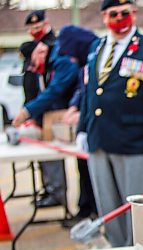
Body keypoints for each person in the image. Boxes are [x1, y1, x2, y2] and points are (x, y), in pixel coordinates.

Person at [78, 0, 143, 247]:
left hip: (133, 141)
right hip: (98, 140)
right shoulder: (97, 47)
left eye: (124, 13)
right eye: (113, 14)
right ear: (104, 16)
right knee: (108, 207)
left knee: (136, 208)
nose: (119, 18)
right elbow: (88, 91)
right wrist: (81, 129)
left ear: (134, 13)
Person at [13, 13, 80, 210]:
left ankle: (61, 195)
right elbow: (33, 84)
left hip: (63, 112)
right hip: (45, 112)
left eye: (38, 27)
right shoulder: (38, 51)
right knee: (46, 154)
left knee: (69, 161)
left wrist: (28, 111)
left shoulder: (56, 50)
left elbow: (55, 89)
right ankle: (52, 190)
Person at [56, 25, 99, 226]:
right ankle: (86, 208)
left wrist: (82, 112)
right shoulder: (85, 61)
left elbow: (96, 92)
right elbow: (82, 90)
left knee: (94, 175)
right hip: (86, 129)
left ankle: (94, 211)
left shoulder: (96, 55)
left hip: (99, 130)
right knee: (83, 170)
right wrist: (74, 106)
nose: (70, 60)